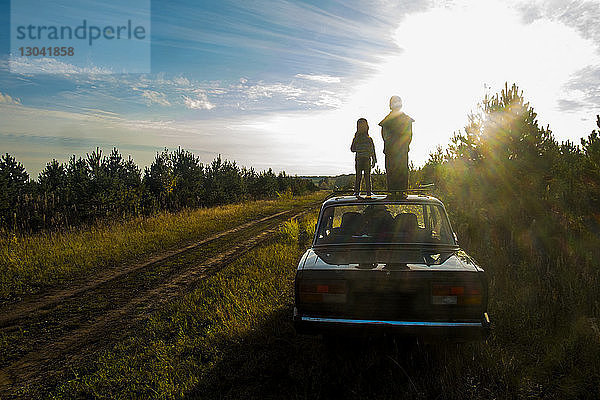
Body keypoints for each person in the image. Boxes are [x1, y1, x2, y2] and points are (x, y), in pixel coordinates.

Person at [379, 96, 414, 192]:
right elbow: (384, 134)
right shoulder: (388, 119)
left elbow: (409, 134)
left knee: (401, 171)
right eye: (394, 102)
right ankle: (393, 192)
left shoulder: (405, 118)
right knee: (392, 172)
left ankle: (401, 192)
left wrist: (404, 145)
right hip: (392, 150)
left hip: (400, 150)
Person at [350, 118, 376, 196]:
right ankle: (357, 191)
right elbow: (352, 149)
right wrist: (360, 149)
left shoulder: (369, 139)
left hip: (367, 159)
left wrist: (374, 159)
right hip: (359, 159)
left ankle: (369, 191)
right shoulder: (356, 138)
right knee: (358, 176)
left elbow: (373, 150)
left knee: (367, 176)